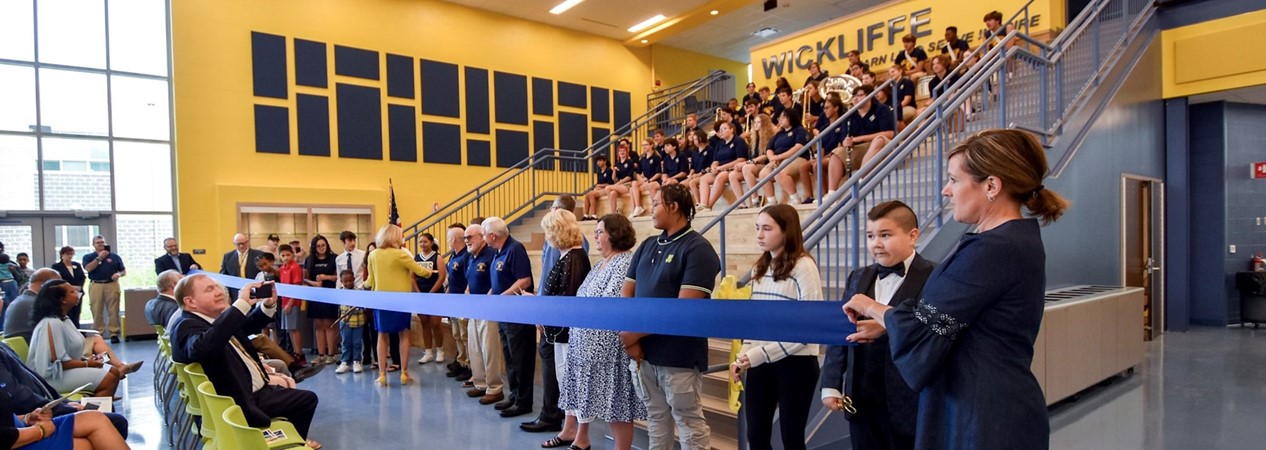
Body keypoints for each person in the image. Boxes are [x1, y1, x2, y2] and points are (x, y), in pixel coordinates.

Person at [842, 129, 1069, 449]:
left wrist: (869, 306)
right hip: (986, 406)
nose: (946, 191)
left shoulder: (995, 248)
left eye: (954, 180)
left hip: (981, 418)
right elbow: (952, 320)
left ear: (991, 185)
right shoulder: (1013, 240)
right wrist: (885, 326)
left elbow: (922, 329)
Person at [820, 201, 933, 450]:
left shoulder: (934, 275)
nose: (876, 244)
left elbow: (932, 333)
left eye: (885, 235)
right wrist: (830, 383)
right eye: (871, 236)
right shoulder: (858, 276)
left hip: (910, 401)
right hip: (861, 398)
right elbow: (841, 329)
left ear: (912, 235)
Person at [621, 184, 721, 450]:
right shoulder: (647, 245)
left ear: (674, 207)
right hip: (645, 355)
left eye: (655, 204)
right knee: (656, 417)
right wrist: (631, 340)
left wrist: (633, 336)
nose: (651, 210)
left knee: (688, 421)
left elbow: (683, 308)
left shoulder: (698, 248)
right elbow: (626, 293)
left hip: (679, 355)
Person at [169, 274, 321, 448]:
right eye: (209, 289)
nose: (219, 292)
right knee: (306, 399)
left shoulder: (207, 321)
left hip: (243, 390)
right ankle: (292, 444)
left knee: (291, 387)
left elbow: (243, 327)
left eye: (217, 287)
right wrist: (239, 305)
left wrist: (267, 305)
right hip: (239, 402)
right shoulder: (185, 325)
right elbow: (202, 347)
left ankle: (291, 440)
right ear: (190, 302)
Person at [730, 204, 823, 450]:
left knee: (791, 437)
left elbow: (810, 327)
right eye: (758, 228)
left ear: (786, 231)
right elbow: (755, 320)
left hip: (796, 362)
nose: (760, 235)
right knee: (757, 436)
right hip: (761, 361)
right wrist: (743, 354)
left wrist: (758, 354)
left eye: (767, 229)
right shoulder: (760, 268)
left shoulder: (804, 266)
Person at [558, 214, 646, 450]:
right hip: (585, 346)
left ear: (614, 234)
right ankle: (582, 438)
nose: (595, 236)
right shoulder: (600, 263)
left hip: (609, 350)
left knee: (616, 406)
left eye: (599, 232)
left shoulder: (624, 262)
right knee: (591, 400)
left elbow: (609, 302)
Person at [525, 209, 592, 441]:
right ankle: (569, 429)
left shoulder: (575, 257)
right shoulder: (567, 256)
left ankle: (580, 435)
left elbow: (568, 300)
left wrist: (542, 309)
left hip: (567, 334)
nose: (546, 237)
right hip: (559, 332)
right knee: (565, 382)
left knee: (572, 382)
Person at [27, 280, 141, 397]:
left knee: (114, 371)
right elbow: (59, 363)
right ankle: (95, 412)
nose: (77, 292)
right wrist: (87, 363)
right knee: (108, 378)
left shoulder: (64, 319)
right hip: (50, 378)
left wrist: (89, 361)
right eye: (72, 292)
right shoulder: (52, 323)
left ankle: (102, 406)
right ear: (63, 300)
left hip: (61, 372)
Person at [0, 342, 130, 439]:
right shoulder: (50, 323)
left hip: (43, 407)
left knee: (107, 406)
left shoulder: (2, 345)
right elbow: (20, 398)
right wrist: (66, 408)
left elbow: (36, 381)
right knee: (117, 421)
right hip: (39, 415)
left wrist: (65, 403)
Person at [363, 224, 433, 386]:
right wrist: (431, 272)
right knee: (404, 335)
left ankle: (381, 375)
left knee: (382, 335)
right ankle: (404, 373)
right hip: (401, 301)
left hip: (380, 301)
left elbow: (369, 281)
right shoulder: (401, 254)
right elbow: (421, 271)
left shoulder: (373, 255)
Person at [482, 217, 536, 418]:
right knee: (510, 357)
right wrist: (492, 295)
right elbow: (499, 281)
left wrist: (501, 297)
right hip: (504, 313)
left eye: (485, 234)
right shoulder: (498, 252)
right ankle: (514, 395)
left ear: (492, 235)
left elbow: (524, 280)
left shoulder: (515, 249)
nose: (484, 238)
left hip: (517, 314)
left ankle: (524, 401)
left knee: (521, 358)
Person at [462, 223, 507, 406]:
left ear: (482, 237)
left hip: (487, 308)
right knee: (475, 348)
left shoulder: (490, 255)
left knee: (489, 350)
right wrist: (467, 290)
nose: (467, 241)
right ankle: (480, 383)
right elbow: (469, 279)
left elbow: (495, 281)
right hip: (474, 308)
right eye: (465, 238)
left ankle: (495, 388)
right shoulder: (471, 257)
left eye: (470, 237)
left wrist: (488, 299)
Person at [0, 390, 128, 450]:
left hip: (20, 428)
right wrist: (40, 431)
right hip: (14, 440)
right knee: (88, 445)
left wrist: (27, 417)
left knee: (94, 418)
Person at [748, 109, 811, 205]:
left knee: (779, 173)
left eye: (783, 117)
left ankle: (795, 198)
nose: (780, 120)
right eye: (779, 118)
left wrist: (778, 157)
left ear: (791, 117)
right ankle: (771, 200)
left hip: (798, 158)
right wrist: (772, 158)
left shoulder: (799, 130)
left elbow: (798, 147)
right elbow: (769, 148)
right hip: (778, 159)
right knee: (763, 174)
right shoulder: (779, 134)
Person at [303, 235, 340, 365]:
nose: (321, 248)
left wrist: (326, 277)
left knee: (329, 324)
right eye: (318, 246)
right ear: (314, 247)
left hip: (329, 294)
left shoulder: (334, 258)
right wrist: (313, 283)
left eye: (323, 245)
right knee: (318, 325)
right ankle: (321, 354)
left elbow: (338, 277)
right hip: (315, 295)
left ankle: (331, 354)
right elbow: (304, 278)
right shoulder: (309, 259)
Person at [442, 224, 473, 380]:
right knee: (456, 334)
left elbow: (469, 278)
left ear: (454, 239)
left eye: (448, 238)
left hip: (463, 302)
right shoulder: (453, 255)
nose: (447, 241)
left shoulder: (466, 256)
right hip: (453, 301)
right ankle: (460, 361)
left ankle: (469, 365)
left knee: (465, 334)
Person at [846, 84, 897, 177]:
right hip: (860, 148)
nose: (855, 98)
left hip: (882, 144)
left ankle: (861, 178)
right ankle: (831, 191)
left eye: (859, 95)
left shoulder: (882, 109)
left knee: (879, 140)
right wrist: (846, 141)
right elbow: (846, 137)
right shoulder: (849, 115)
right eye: (853, 96)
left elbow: (889, 133)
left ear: (869, 96)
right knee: (836, 154)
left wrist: (859, 139)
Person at [82, 236, 125, 343]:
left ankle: (114, 333)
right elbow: (88, 268)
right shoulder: (88, 256)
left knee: (114, 310)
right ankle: (98, 332)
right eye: (98, 243)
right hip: (96, 285)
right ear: (93, 245)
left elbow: (123, 271)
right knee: (96, 309)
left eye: (102, 242)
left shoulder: (114, 257)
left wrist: (119, 274)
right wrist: (99, 258)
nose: (101, 244)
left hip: (112, 284)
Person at [413, 232, 447, 364]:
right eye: (420, 242)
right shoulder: (416, 258)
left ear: (431, 243)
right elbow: (412, 276)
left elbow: (442, 277)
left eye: (425, 241)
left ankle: (440, 350)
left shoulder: (437, 257)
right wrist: (418, 292)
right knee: (424, 322)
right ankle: (428, 352)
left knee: (435, 323)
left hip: (435, 295)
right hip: (421, 295)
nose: (422, 244)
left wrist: (431, 293)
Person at [702, 121, 749, 211]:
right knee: (704, 179)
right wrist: (714, 167)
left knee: (721, 177)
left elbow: (741, 159)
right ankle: (703, 204)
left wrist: (721, 168)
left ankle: (709, 205)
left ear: (731, 130)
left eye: (724, 129)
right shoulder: (720, 144)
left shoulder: (738, 141)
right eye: (720, 130)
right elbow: (715, 160)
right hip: (720, 169)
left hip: (732, 169)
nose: (721, 131)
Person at [3, 268, 59, 343]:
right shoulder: (37, 304)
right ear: (47, 285)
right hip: (32, 349)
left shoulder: (19, 301)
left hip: (17, 350)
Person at [277, 244, 307, 364]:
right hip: (284, 302)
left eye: (288, 255)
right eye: (283, 255)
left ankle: (299, 354)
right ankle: (295, 352)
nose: (286, 258)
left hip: (293, 303)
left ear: (293, 254)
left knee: (295, 329)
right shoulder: (282, 268)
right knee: (289, 329)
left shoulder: (295, 267)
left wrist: (290, 303)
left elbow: (296, 287)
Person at [334, 270, 365, 374]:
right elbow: (340, 308)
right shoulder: (340, 292)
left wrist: (360, 306)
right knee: (345, 342)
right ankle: (345, 362)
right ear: (341, 281)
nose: (348, 283)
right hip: (344, 322)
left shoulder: (360, 292)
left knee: (357, 342)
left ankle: (357, 361)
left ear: (354, 279)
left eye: (350, 280)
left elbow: (364, 307)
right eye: (345, 281)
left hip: (358, 322)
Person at [49, 247, 85, 329]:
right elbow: (57, 279)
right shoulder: (56, 266)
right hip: (65, 293)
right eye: (68, 254)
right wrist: (70, 287)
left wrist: (79, 286)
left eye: (72, 254)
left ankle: (77, 329)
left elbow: (82, 277)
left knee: (77, 313)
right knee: (68, 313)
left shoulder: (77, 265)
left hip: (77, 292)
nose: (70, 256)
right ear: (62, 255)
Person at [628, 139, 663, 217]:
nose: (644, 147)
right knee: (632, 186)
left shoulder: (656, 157)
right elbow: (638, 173)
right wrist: (642, 179)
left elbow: (658, 173)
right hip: (646, 180)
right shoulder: (642, 159)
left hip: (654, 180)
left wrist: (649, 180)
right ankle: (635, 208)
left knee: (633, 187)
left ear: (651, 145)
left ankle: (638, 207)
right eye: (643, 145)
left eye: (646, 145)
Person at [604, 140, 638, 216]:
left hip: (627, 184)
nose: (622, 153)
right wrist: (614, 171)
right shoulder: (617, 163)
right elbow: (613, 178)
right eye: (620, 151)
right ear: (618, 153)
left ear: (626, 152)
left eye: (623, 151)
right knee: (612, 193)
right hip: (620, 185)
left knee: (607, 188)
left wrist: (618, 184)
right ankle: (614, 213)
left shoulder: (630, 162)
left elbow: (629, 177)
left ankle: (615, 210)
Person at [582, 154, 616, 221]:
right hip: (600, 189)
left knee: (592, 194)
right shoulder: (599, 172)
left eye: (600, 161)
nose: (598, 163)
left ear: (605, 161)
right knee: (587, 195)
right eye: (598, 161)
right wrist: (598, 187)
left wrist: (600, 186)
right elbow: (598, 183)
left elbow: (610, 184)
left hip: (607, 189)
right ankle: (585, 215)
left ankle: (594, 215)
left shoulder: (609, 171)